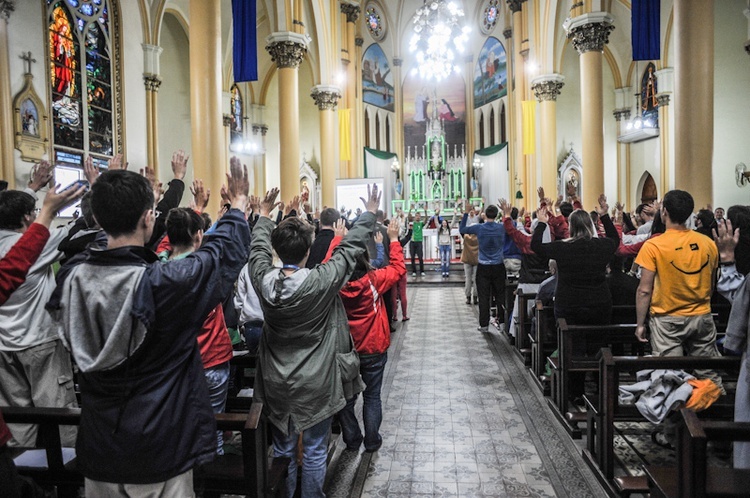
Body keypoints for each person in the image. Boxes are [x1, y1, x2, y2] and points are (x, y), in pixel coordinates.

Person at [48, 160, 251, 496]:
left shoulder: (71, 279)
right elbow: (218, 254)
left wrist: (102, 193)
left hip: (100, 446)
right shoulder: (160, 286)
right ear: (148, 217)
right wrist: (239, 205)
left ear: (98, 219)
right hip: (160, 446)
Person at [249, 185, 381, 498]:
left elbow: (256, 251)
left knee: (282, 448)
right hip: (316, 381)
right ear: (308, 251)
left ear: (277, 252)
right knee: (314, 450)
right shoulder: (320, 281)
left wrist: (264, 216)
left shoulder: (263, 279)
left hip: (276, 380)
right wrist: (369, 214)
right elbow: (348, 250)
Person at [0, 163, 86, 447]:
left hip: (3, 348)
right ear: (27, 217)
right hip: (40, 343)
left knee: (18, 419)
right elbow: (77, 230)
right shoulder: (33, 244)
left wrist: (32, 189)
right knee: (58, 412)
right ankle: (64, 483)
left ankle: (25, 480)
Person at [324, 219, 405, 453]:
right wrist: (394, 239)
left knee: (346, 399)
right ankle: (372, 440)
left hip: (346, 347)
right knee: (372, 396)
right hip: (373, 346)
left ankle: (352, 438)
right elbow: (398, 269)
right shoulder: (373, 280)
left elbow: (327, 264)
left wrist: (337, 240)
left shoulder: (334, 282)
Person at [161, 207, 234, 455]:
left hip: (177, 361)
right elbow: (226, 246)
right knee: (213, 425)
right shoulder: (207, 269)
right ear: (199, 236)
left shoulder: (157, 270)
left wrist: (194, 212)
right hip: (212, 357)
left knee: (182, 423)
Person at [634, 190, 723, 389]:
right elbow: (711, 281)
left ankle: (674, 418)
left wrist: (640, 323)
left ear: (664, 212)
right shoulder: (707, 243)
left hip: (667, 319)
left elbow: (644, 290)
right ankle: (710, 413)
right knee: (708, 373)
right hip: (701, 315)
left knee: (669, 373)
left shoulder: (654, 246)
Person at [530, 195, 618, 325]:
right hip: (598, 303)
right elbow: (615, 239)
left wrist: (542, 223)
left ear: (571, 227)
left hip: (569, 304)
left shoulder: (563, 247)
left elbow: (536, 246)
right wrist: (604, 216)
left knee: (571, 342)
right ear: (589, 225)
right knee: (595, 342)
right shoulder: (601, 245)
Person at [459, 200, 506, 333]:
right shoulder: (501, 227)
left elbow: (462, 229)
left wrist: (466, 213)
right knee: (500, 295)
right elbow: (512, 226)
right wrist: (506, 214)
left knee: (483, 296)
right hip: (498, 265)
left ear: (485, 215)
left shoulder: (479, 228)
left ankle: (484, 325)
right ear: (496, 215)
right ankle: (502, 323)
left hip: (484, 266)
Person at [409, 211, 426, 276]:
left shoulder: (421, 224)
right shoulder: (412, 223)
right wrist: (410, 210)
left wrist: (425, 212)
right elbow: (409, 217)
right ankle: (414, 271)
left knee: (420, 257)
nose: (418, 217)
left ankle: (422, 271)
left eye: (419, 216)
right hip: (412, 242)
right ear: (415, 216)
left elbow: (425, 220)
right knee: (412, 257)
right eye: (416, 216)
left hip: (419, 241)